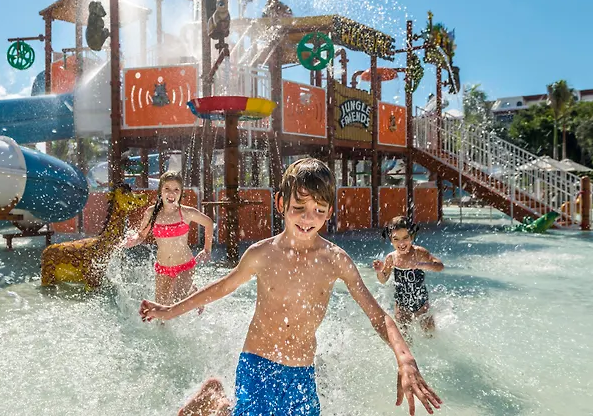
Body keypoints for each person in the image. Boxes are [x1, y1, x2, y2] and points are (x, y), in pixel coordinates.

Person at [140, 158, 442, 416]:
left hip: (301, 372)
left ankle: (218, 399)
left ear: (330, 211)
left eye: (319, 210)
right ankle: (216, 399)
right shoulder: (261, 254)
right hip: (258, 363)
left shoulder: (336, 260)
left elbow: (378, 316)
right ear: (281, 203)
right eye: (299, 207)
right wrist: (169, 310)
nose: (308, 218)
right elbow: (222, 287)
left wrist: (404, 357)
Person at [124, 170, 213, 306]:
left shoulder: (186, 213)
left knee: (176, 302)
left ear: (181, 193)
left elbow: (209, 223)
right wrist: (133, 240)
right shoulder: (152, 213)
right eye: (167, 189)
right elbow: (141, 235)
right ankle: (191, 291)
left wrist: (207, 250)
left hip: (184, 265)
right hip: (163, 267)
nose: (171, 193)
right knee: (161, 308)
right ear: (160, 191)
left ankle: (190, 292)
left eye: (176, 189)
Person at [372, 216, 444, 334]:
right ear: (391, 240)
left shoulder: (419, 252)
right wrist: (379, 271)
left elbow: (440, 266)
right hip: (401, 307)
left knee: (430, 334)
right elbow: (383, 280)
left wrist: (421, 265)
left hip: (421, 304)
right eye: (396, 239)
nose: (401, 243)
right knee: (405, 337)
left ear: (412, 236)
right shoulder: (391, 258)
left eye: (405, 238)